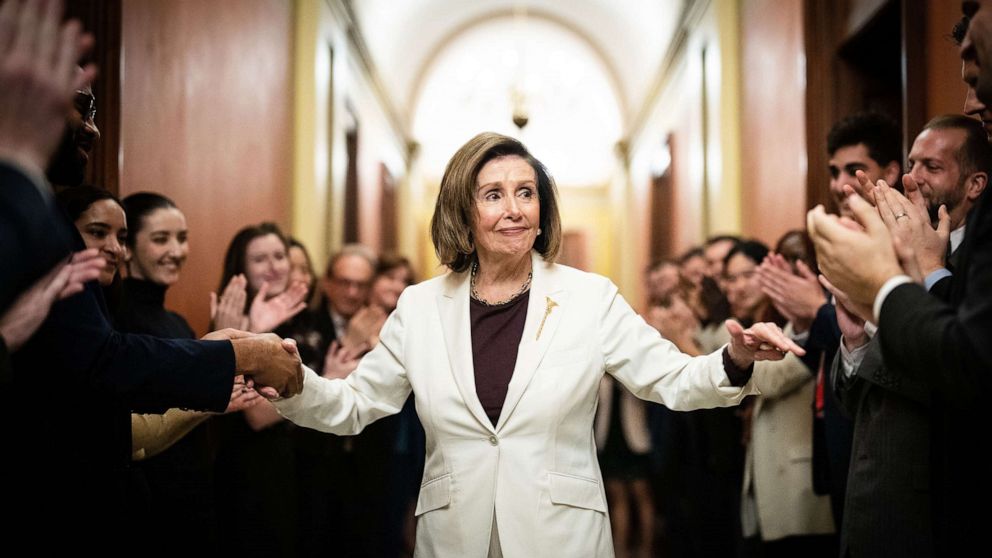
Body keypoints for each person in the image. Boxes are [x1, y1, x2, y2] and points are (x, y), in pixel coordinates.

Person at [271, 132, 803, 557]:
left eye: (526, 193)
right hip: (455, 536)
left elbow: (670, 377)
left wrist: (733, 359)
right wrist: (292, 380)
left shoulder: (588, 297)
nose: (515, 210)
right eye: (494, 195)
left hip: (560, 535)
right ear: (463, 210)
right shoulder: (420, 306)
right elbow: (357, 403)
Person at [0, 1, 302, 546]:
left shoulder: (40, 213)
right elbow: (99, 363)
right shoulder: (23, 207)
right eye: (81, 104)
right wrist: (237, 353)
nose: (91, 124)